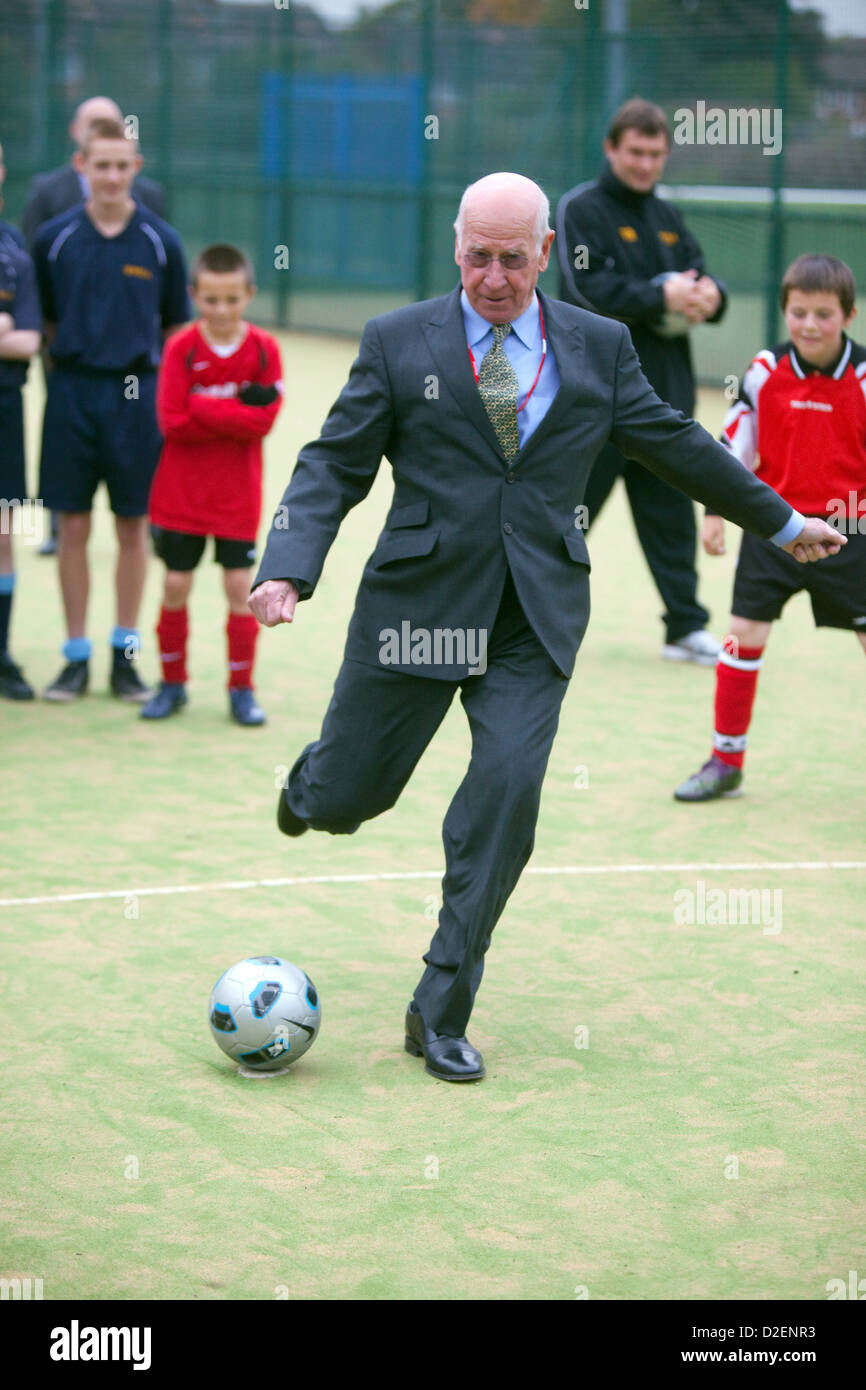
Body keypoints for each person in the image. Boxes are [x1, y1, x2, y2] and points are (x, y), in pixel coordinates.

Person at [248, 172, 841, 1085]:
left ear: (547, 253)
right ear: (456, 249)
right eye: (477, 257)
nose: (492, 276)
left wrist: (783, 520)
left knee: (508, 791)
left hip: (532, 617)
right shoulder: (399, 342)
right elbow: (333, 462)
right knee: (346, 800)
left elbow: (679, 444)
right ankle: (313, 786)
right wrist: (288, 565)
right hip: (418, 613)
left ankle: (440, 1004)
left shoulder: (600, 347)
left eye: (511, 259)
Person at [675, 254, 865, 802]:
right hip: (775, 527)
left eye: (823, 314)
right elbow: (734, 447)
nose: (809, 324)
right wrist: (714, 509)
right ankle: (725, 761)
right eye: (799, 312)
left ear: (849, 315)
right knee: (742, 637)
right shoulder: (763, 371)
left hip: (852, 535)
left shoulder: (864, 376)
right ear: (784, 312)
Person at [557, 97, 727, 666]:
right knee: (563, 516)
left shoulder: (668, 217)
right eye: (636, 152)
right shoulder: (580, 208)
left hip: (663, 404)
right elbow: (585, 293)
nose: (646, 164)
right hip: (593, 401)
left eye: (656, 154)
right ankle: (517, 613)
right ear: (611, 148)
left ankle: (684, 627)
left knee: (671, 519)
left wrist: (711, 295)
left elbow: (702, 274)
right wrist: (660, 296)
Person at [32, 117, 189, 703]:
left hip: (136, 398)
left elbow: (175, 328)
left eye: (123, 165)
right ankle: (74, 657)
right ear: (81, 167)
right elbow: (43, 322)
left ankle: (125, 659)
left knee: (132, 527)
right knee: (71, 525)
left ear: (136, 169)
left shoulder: (160, 242)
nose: (113, 176)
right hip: (71, 393)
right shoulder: (54, 238)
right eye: (101, 165)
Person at [143, 244, 283, 726]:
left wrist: (202, 405)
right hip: (179, 496)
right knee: (176, 583)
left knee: (240, 586)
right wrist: (234, 412)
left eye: (231, 299)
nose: (221, 310)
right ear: (194, 296)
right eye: (210, 300)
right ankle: (172, 684)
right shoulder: (181, 347)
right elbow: (171, 422)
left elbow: (263, 422)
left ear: (248, 294)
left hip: (237, 498)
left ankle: (241, 690)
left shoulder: (264, 349)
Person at [22, 96, 166, 558]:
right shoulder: (49, 196)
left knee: (133, 499)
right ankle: (57, 524)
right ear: (78, 145)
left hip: (133, 376)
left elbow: (165, 291)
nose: (111, 176)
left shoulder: (153, 207)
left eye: (121, 165)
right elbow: (34, 274)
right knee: (68, 466)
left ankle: (154, 516)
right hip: (70, 367)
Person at [0, 142, 42, 699]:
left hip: (6, 407)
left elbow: (30, 338)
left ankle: (2, 654)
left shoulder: (14, 247)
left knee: (4, 532)